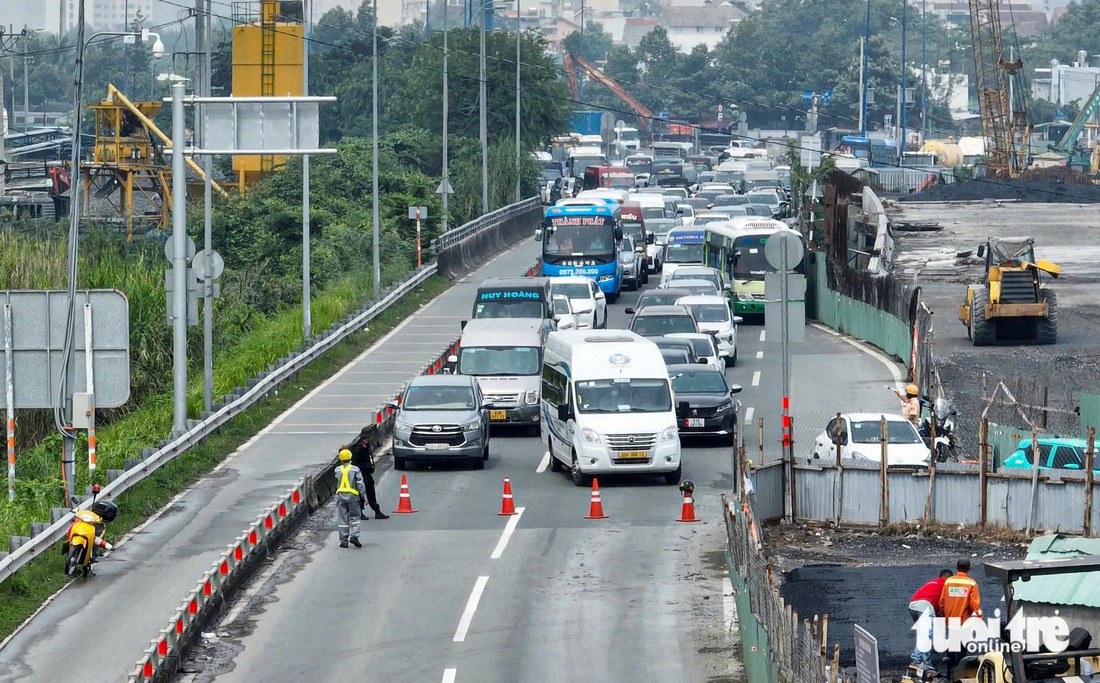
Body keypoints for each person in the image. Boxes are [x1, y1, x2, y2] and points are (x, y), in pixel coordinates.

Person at [939, 559, 983, 673]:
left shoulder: (948, 582)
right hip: (964, 621)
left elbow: (942, 601)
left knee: (953, 646)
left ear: (957, 568)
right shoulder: (972, 583)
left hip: (951, 620)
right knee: (962, 648)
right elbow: (974, 604)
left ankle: (949, 673)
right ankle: (960, 673)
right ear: (968, 568)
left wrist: (944, 613)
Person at [908, 569, 953, 670]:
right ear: (949, 578)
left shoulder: (932, 582)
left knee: (925, 635)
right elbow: (945, 606)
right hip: (925, 607)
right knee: (926, 635)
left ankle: (926, 663)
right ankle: (916, 661)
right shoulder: (947, 585)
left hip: (913, 606)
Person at [347, 428, 390, 521]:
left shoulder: (366, 445)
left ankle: (377, 511)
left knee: (370, 492)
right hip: (361, 473)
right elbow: (355, 463)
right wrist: (366, 466)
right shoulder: (359, 448)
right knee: (362, 493)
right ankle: (360, 512)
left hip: (366, 473)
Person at [334, 449, 367, 548]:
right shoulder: (355, 469)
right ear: (350, 458)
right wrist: (364, 496)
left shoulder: (337, 470)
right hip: (353, 497)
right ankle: (354, 536)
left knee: (343, 519)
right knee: (355, 517)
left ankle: (344, 541)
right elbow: (360, 484)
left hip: (341, 497)